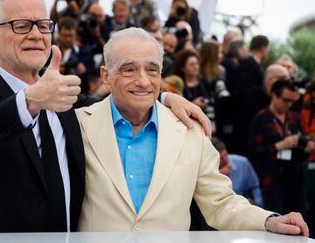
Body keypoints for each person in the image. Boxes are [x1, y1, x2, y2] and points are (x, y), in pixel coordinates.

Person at [0, 0, 211, 233]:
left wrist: (164, 98)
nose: (36, 34)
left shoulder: (69, 100)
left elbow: (122, 100)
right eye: (21, 25)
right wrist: (30, 100)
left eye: (43, 25)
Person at [74, 28, 308, 235]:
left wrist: (268, 220)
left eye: (152, 70)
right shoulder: (77, 125)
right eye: (129, 69)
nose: (143, 81)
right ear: (106, 76)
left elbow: (221, 202)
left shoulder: (189, 130)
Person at [248, 79, 315, 215]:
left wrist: (307, 149)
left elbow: (300, 150)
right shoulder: (261, 119)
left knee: (299, 222)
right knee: (276, 222)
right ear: (274, 95)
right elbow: (254, 152)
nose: (289, 104)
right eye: (286, 100)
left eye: (292, 101)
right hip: (272, 182)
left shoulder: (294, 117)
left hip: (295, 180)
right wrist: (279, 145)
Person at [211, 137, 263, 207]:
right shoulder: (208, 170)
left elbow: (255, 186)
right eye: (221, 158)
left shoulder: (242, 162)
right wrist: (218, 175)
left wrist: (258, 205)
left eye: (225, 155)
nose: (226, 160)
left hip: (242, 204)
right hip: (218, 206)